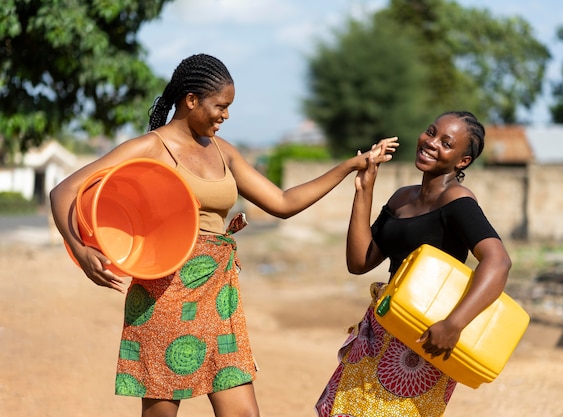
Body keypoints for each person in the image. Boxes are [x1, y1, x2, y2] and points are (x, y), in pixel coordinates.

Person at [49, 53, 398, 417]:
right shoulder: (151, 147)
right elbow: (63, 192)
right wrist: (80, 248)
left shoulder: (223, 151)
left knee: (243, 413)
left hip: (219, 296)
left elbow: (281, 201)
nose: (226, 115)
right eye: (221, 106)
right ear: (191, 101)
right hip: (163, 294)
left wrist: (349, 166)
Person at [314, 111, 512, 417]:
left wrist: (453, 325)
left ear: (462, 161)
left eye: (446, 143)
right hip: (382, 326)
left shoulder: (458, 201)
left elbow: (498, 262)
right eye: (431, 132)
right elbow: (359, 261)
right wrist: (364, 189)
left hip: (425, 339)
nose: (431, 143)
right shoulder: (401, 198)